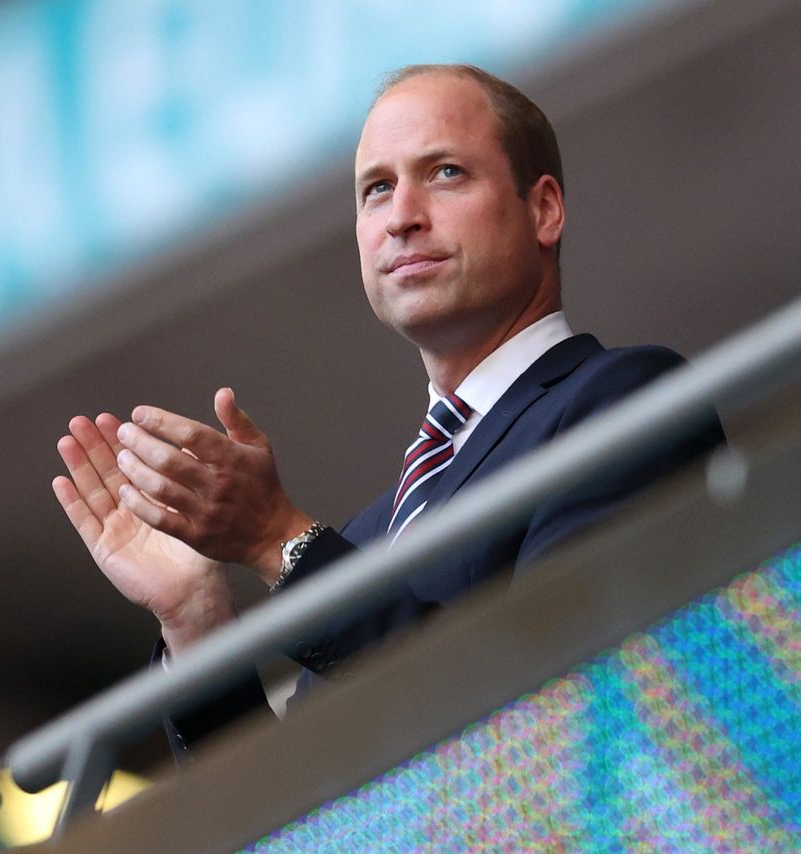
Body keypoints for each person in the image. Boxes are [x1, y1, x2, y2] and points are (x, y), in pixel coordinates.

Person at [52, 64, 724, 747]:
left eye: (445, 173)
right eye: (377, 189)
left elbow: (550, 714)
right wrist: (197, 622)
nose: (402, 216)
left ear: (543, 209)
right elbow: (292, 820)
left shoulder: (623, 398)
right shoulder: (365, 539)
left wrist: (275, 540)